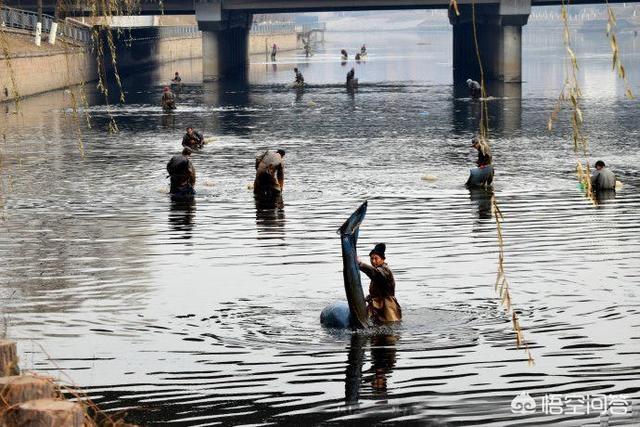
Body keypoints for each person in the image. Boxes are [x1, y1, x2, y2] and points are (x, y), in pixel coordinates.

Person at [358, 243, 402, 324]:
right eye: (371, 258)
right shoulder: (378, 269)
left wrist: (360, 264)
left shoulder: (385, 270)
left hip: (387, 307)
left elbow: (374, 273)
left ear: (382, 259)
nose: (373, 261)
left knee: (389, 326)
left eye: (376, 258)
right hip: (376, 305)